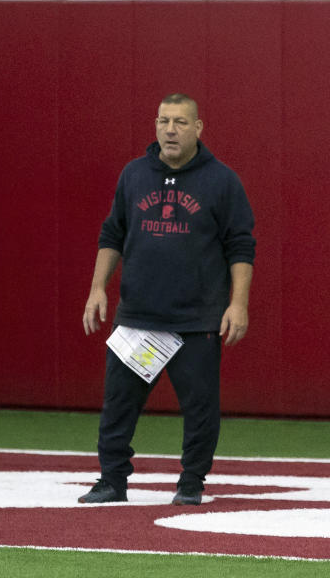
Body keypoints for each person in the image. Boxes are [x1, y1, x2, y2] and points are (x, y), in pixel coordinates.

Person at [79, 93, 255, 506]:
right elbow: (112, 235)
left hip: (196, 322)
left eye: (179, 122)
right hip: (139, 319)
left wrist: (239, 303)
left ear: (198, 128)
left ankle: (191, 483)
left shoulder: (222, 181)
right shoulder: (135, 174)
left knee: (200, 410)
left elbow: (241, 246)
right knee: (119, 405)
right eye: (163, 121)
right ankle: (112, 481)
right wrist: (96, 289)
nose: (170, 130)